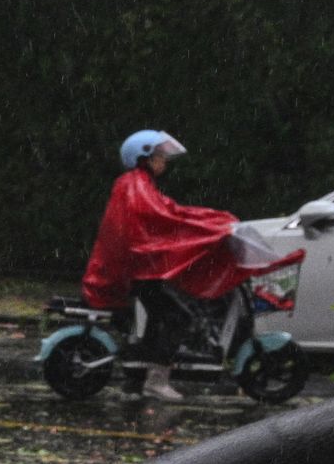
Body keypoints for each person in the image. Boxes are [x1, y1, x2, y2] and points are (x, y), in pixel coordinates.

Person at [82, 130, 278, 400]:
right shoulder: (136, 185)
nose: (164, 161)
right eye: (160, 156)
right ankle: (156, 380)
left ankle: (142, 375)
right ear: (145, 157)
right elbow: (164, 217)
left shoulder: (136, 184)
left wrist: (210, 220)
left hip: (139, 269)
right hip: (141, 271)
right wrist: (208, 226)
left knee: (161, 316)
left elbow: (170, 213)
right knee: (178, 318)